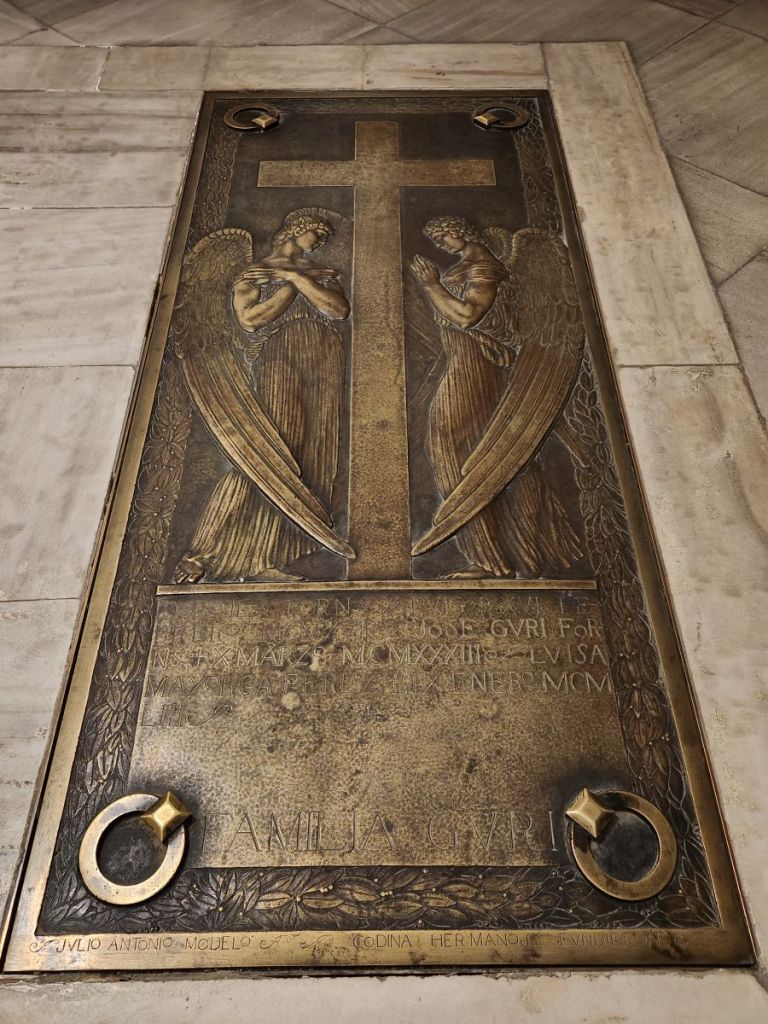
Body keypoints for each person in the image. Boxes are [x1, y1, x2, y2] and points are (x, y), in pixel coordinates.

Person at [174, 209, 349, 583]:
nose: (321, 240)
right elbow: (251, 320)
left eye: (325, 236)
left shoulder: (319, 273)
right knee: (270, 454)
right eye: (317, 232)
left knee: (309, 459)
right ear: (296, 229)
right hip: (280, 356)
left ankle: (267, 560)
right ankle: (201, 552)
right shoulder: (256, 273)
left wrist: (297, 276)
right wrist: (292, 283)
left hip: (325, 360)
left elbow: (337, 310)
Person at [410, 215, 582, 578]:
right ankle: (512, 553)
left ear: (462, 231)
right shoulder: (465, 269)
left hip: (474, 371)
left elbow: (467, 315)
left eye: (443, 236)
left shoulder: (485, 268)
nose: (440, 244)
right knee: (483, 454)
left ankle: (490, 558)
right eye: (436, 239)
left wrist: (430, 284)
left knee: (449, 447)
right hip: (463, 363)